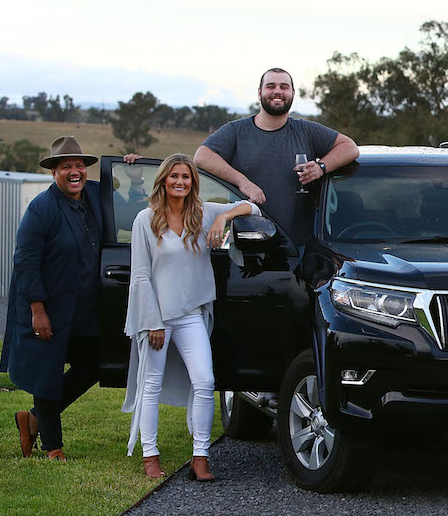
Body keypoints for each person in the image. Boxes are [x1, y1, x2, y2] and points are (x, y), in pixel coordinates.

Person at [122, 154, 259, 480]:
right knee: (151, 384)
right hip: (155, 316)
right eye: (174, 177)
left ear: (192, 182)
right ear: (163, 181)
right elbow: (140, 276)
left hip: (190, 314)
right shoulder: (146, 219)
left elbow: (253, 207)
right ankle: (150, 456)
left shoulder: (203, 213)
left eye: (185, 177)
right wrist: (153, 322)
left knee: (205, 381)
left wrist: (223, 217)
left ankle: (200, 457)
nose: (180, 182)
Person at [0, 137, 105, 460]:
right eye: (66, 167)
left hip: (81, 309)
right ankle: (52, 447)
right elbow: (25, 261)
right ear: (54, 173)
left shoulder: (95, 196)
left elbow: (134, 199)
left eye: (79, 166)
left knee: (93, 364)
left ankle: (31, 419)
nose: (75, 172)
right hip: (46, 306)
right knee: (47, 371)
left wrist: (135, 171)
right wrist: (37, 309)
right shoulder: (41, 209)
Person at [194, 67, 359, 246]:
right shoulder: (236, 131)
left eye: (284, 87)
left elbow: (349, 147)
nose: (277, 91)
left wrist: (321, 168)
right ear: (260, 93)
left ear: (293, 93)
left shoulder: (306, 130)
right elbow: (202, 156)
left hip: (300, 247)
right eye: (271, 86)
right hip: (248, 245)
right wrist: (243, 182)